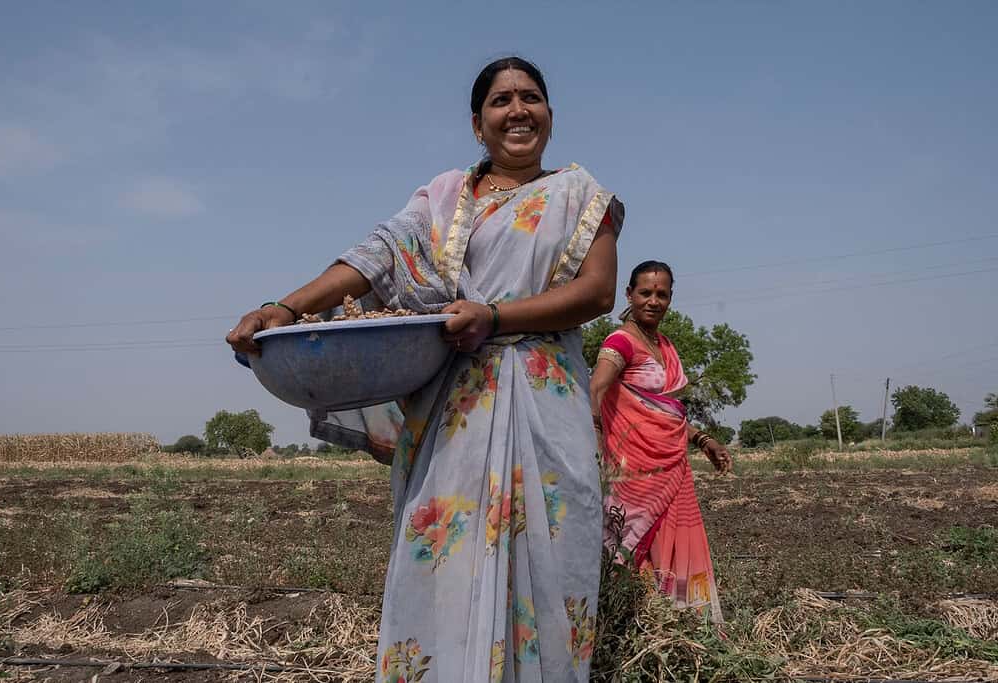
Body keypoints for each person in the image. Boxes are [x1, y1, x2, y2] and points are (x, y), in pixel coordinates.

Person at [227, 57, 623, 682]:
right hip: (452, 413)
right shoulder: (441, 199)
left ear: (550, 113)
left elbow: (599, 293)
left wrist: (494, 315)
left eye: (531, 98)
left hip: (547, 405)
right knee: (444, 562)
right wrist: (286, 306)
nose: (517, 110)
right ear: (477, 123)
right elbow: (374, 260)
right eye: (501, 101)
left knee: (547, 566)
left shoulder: (582, 196)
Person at [588, 261, 730, 623]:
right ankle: (635, 626)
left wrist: (702, 439)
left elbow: (666, 412)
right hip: (634, 471)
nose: (653, 301)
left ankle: (681, 624)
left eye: (662, 294)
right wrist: (595, 434)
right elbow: (597, 386)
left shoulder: (664, 345)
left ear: (670, 298)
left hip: (673, 467)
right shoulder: (620, 341)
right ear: (629, 295)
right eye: (645, 293)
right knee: (634, 547)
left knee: (673, 542)